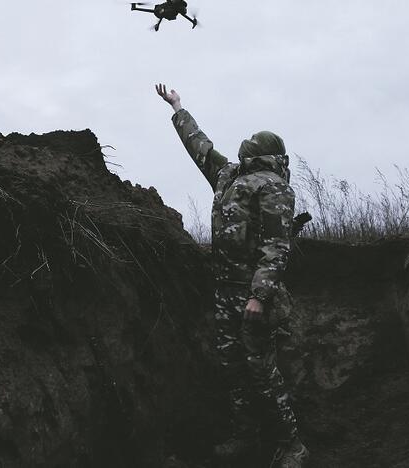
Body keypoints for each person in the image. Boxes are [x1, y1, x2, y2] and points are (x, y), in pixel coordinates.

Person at [155, 84, 309, 467]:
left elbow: (277, 245)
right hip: (224, 294)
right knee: (232, 367)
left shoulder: (274, 187)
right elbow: (200, 147)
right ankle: (246, 435)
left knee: (262, 370)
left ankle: (292, 445)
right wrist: (178, 108)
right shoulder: (228, 176)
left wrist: (260, 296)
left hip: (253, 296)